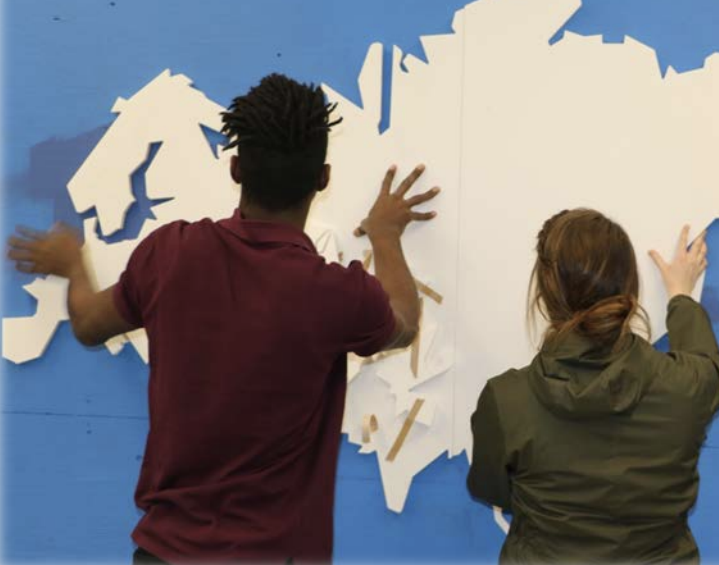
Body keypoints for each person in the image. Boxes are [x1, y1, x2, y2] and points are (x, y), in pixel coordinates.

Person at [6, 73, 440, 564]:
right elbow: (404, 322)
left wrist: (72, 266)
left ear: (235, 169)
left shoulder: (170, 253)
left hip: (163, 553)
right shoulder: (336, 293)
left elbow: (88, 324)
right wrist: (385, 235)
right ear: (323, 178)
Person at [467, 209, 719, 564]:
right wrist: (681, 298)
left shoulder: (506, 400)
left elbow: (492, 491)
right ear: (630, 288)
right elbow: (712, 366)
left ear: (544, 294)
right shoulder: (686, 387)